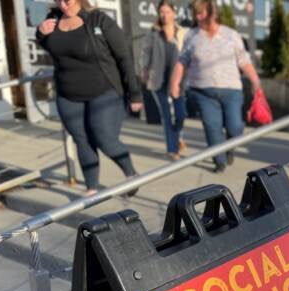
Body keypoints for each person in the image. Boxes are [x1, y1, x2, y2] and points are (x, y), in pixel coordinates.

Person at [37, 0, 142, 196]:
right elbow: (51, 47)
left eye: (67, 0)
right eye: (58, 0)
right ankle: (92, 188)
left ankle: (131, 174)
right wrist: (40, 33)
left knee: (104, 138)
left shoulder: (99, 20)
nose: (63, 4)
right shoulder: (52, 19)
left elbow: (124, 57)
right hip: (68, 95)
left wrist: (134, 93)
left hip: (104, 91)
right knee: (82, 140)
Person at [170, 0, 261, 173]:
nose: (198, 16)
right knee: (212, 127)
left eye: (202, 12)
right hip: (202, 92)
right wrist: (175, 82)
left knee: (235, 127)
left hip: (231, 91)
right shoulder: (191, 36)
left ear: (213, 13)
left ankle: (230, 147)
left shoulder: (231, 35)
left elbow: (244, 61)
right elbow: (182, 61)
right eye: (196, 13)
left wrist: (255, 81)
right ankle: (219, 161)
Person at [141, 0, 187, 160]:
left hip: (178, 79)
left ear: (174, 13)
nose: (164, 15)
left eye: (167, 12)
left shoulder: (181, 32)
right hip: (159, 78)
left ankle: (178, 136)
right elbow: (146, 52)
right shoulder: (153, 32)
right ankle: (172, 149)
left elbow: (188, 54)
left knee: (180, 114)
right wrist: (144, 70)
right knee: (167, 115)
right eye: (162, 12)